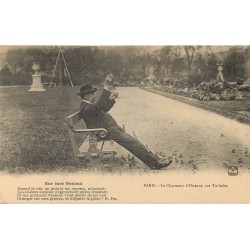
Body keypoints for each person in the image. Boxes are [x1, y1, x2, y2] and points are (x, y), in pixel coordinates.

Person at [77, 79, 173, 170]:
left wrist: (111, 99)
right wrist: (106, 87)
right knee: (132, 142)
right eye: (92, 94)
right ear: (86, 96)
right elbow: (99, 105)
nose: (94, 95)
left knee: (133, 140)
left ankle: (155, 160)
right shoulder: (85, 107)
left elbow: (103, 109)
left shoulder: (88, 106)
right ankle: (155, 163)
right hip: (103, 132)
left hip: (108, 129)